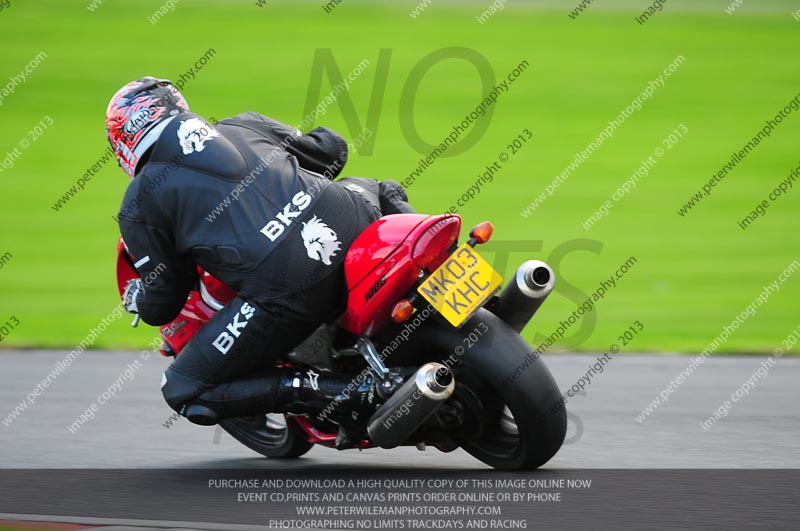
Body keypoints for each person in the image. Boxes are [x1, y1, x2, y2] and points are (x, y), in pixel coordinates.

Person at [106, 77, 413, 446]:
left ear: (125, 137)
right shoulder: (242, 124)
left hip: (291, 283)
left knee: (183, 388)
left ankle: (343, 388)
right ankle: (439, 274)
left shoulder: (139, 203)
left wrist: (138, 298)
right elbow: (332, 149)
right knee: (379, 187)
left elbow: (165, 298)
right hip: (349, 216)